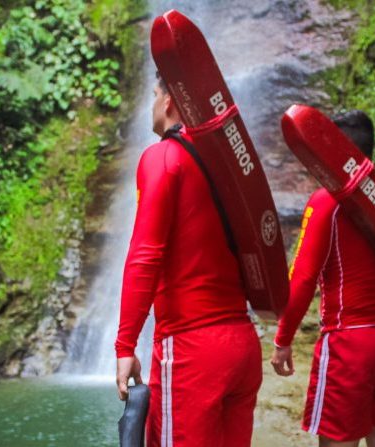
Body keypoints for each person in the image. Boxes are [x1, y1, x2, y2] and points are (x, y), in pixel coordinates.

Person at [115, 74, 262, 447]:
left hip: (191, 352)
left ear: (168, 102)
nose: (150, 105)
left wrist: (125, 346)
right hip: (242, 347)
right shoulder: (230, 167)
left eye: (153, 95)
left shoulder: (162, 157)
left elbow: (144, 256)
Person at [271, 110, 375, 447]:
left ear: (335, 151)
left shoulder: (328, 201)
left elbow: (303, 276)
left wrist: (283, 340)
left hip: (352, 344)